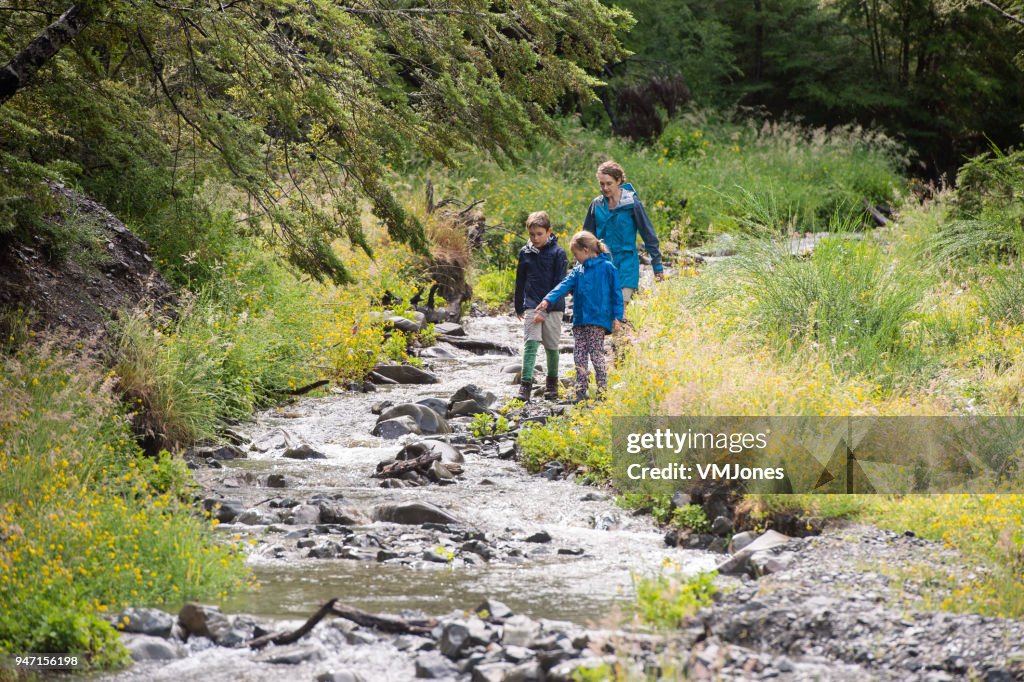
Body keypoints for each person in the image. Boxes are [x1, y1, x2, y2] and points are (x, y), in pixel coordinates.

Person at [534, 231, 623, 402]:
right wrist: (548, 300)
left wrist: (617, 317)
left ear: (586, 250)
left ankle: (602, 391)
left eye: (576, 254)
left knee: (596, 354)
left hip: (597, 320)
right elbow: (563, 285)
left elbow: (616, 294)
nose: (575, 258)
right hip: (580, 319)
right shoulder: (578, 270)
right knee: (579, 355)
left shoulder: (607, 268)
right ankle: (581, 392)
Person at [583, 160, 664, 305]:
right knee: (605, 311)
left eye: (609, 183)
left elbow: (648, 234)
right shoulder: (596, 205)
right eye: (601, 184)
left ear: (619, 180)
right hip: (602, 264)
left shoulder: (632, 204)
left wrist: (657, 266)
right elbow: (585, 238)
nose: (605, 188)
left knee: (620, 308)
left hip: (627, 264)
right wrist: (582, 266)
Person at [513, 211, 568, 402]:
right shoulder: (525, 252)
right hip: (531, 304)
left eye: (539, 234)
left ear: (549, 232)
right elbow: (520, 281)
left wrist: (545, 310)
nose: (535, 238)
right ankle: (525, 386)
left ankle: (551, 384)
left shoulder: (558, 253)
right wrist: (518, 305)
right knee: (531, 343)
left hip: (554, 307)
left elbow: (560, 284)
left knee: (552, 347)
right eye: (532, 235)